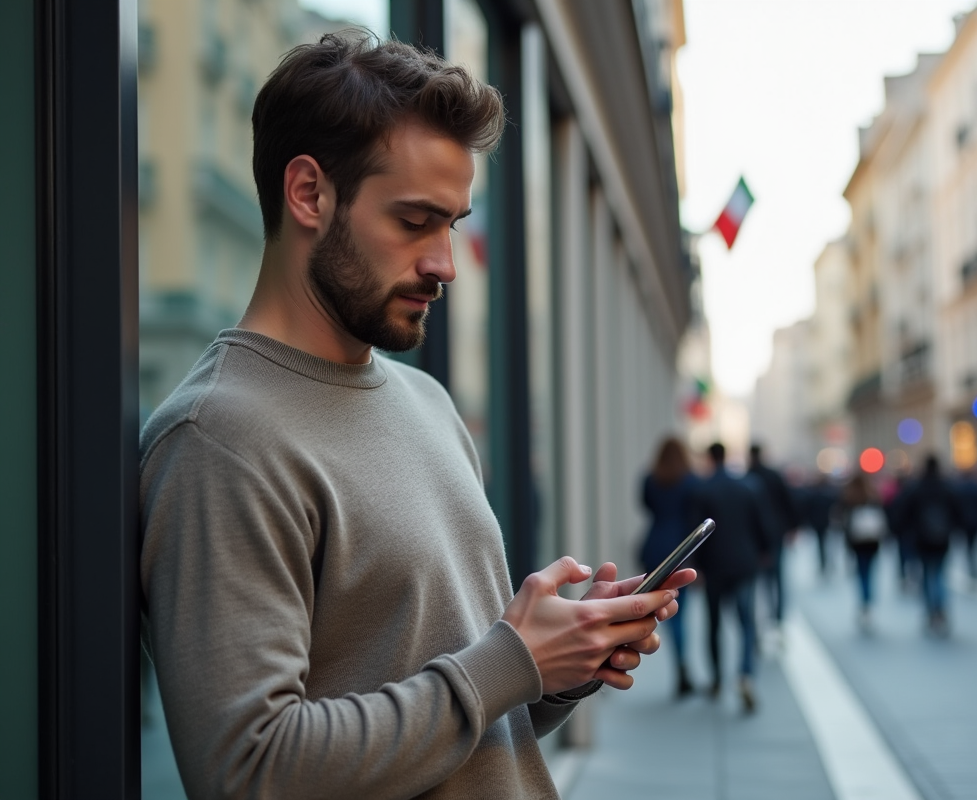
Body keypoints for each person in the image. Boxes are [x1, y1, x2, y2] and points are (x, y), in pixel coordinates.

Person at [139, 34, 691, 799]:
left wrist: (554, 669)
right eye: (414, 221)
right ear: (308, 194)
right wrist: (509, 662)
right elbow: (248, 771)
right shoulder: (217, 438)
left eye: (453, 224)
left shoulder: (427, 401)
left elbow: (462, 725)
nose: (445, 264)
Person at [691, 443, 771, 713]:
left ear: (710, 457)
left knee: (713, 625)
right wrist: (763, 551)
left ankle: (716, 679)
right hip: (743, 563)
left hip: (713, 566)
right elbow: (760, 524)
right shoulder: (746, 487)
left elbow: (696, 534)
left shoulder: (703, 489)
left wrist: (696, 567)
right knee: (746, 622)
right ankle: (746, 674)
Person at [639, 436, 700, 697]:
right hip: (681, 549)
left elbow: (646, 506)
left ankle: (679, 662)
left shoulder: (651, 480)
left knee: (662, 606)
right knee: (679, 610)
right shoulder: (691, 481)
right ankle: (683, 663)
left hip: (654, 546)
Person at [898, 455, 962, 635]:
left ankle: (930, 610)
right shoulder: (946, 487)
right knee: (940, 573)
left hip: (922, 538)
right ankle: (940, 608)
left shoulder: (917, 487)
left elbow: (905, 511)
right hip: (942, 537)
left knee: (927, 574)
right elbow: (957, 510)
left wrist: (905, 530)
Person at [747, 443, 797, 626]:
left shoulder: (748, 476)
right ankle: (778, 614)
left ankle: (765, 615)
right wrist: (792, 527)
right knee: (778, 576)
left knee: (760, 578)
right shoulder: (773, 475)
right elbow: (788, 501)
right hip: (776, 532)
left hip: (754, 536)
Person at [838, 472, 887, 630]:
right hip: (871, 541)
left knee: (861, 572)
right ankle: (868, 601)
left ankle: (864, 603)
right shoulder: (872, 495)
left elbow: (843, 521)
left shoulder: (849, 497)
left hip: (857, 541)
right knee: (870, 572)